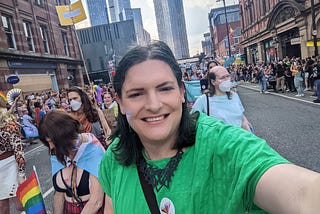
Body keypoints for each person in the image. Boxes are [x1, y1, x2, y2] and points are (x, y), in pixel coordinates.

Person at [98, 41, 320, 213]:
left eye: (165, 89)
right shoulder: (114, 157)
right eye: (136, 94)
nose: (154, 105)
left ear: (182, 92)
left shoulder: (224, 146)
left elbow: (303, 195)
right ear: (120, 101)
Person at [38, 110, 105, 213]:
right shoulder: (57, 152)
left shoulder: (93, 150)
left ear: (65, 137)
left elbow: (96, 201)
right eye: (47, 142)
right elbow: (59, 194)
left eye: (52, 142)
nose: (51, 147)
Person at [191, 65, 252, 132]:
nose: (227, 80)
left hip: (239, 140)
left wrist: (252, 139)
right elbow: (192, 122)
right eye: (222, 78)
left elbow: (241, 119)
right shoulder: (203, 100)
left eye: (228, 76)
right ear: (213, 82)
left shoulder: (234, 96)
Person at [0, 93, 26, 213]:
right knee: (2, 207)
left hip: (10, 166)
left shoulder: (9, 124)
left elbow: (18, 149)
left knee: (21, 203)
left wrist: (21, 173)